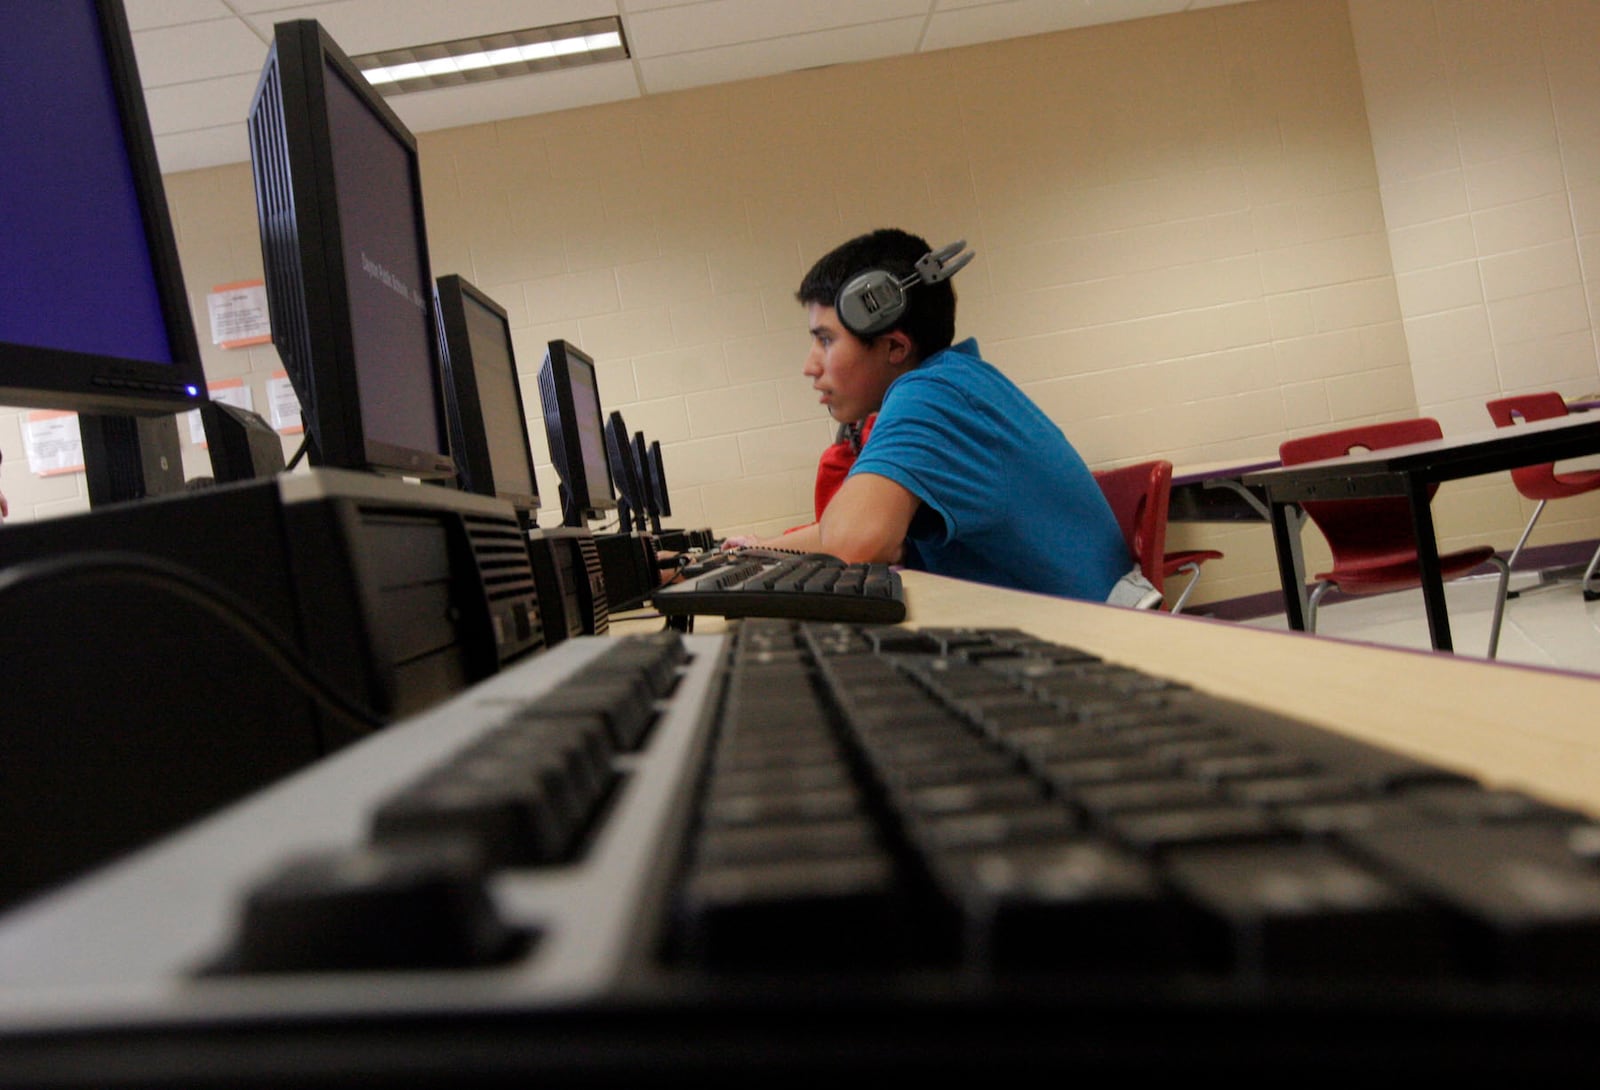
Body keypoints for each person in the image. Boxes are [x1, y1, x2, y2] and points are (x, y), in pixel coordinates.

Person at [729, 228, 1135, 604]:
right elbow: (848, 530)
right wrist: (758, 549)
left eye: (826, 340)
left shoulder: (932, 395)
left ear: (895, 347)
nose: (810, 366)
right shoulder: (954, 383)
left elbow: (852, 543)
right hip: (1082, 632)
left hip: (1092, 653)